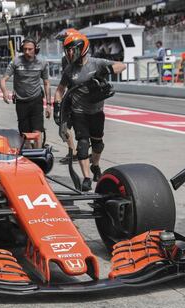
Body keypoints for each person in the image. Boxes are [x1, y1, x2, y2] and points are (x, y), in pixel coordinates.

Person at [53, 33, 126, 191]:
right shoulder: (69, 69)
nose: (69, 54)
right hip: (78, 112)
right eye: (67, 51)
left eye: (72, 50)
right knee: (83, 145)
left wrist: (106, 70)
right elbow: (60, 89)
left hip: (96, 112)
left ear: (82, 48)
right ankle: (86, 177)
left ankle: (95, 165)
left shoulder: (96, 63)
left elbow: (122, 66)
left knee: (98, 145)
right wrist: (56, 105)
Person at [0, 37, 51, 148]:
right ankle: (28, 155)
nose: (27, 52)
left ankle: (39, 154)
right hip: (21, 102)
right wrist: (4, 91)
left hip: (36, 100)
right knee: (24, 134)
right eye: (25, 49)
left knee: (37, 132)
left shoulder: (42, 62)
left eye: (30, 49)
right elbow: (3, 79)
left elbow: (46, 83)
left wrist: (49, 105)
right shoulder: (16, 62)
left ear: (35, 50)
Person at [55, 28, 80, 164]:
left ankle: (81, 153)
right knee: (63, 127)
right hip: (70, 96)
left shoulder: (84, 57)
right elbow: (64, 81)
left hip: (82, 98)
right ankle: (73, 152)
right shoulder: (64, 59)